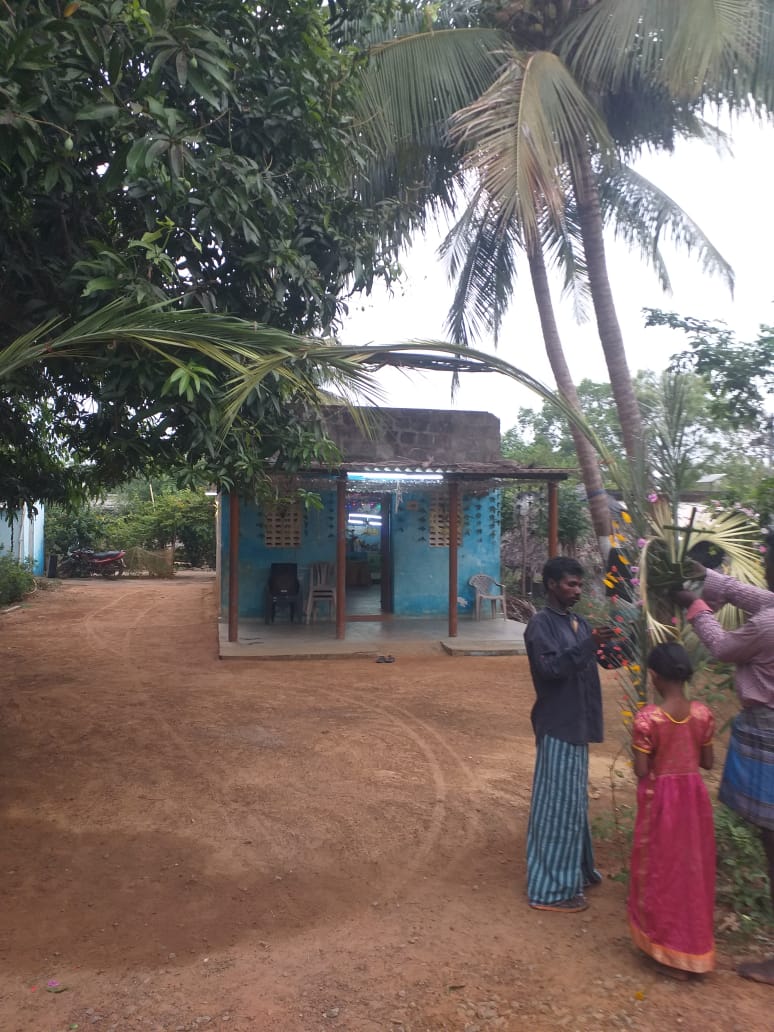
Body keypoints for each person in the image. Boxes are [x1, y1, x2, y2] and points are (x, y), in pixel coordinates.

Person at [674, 532, 774, 984]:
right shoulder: (770, 608)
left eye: (770, 559)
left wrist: (694, 606)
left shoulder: (768, 625)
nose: (765, 566)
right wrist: (706, 578)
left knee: (771, 836)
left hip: (767, 732)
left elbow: (723, 647)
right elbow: (752, 596)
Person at [524, 556, 616, 913]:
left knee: (571, 803)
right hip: (558, 723)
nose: (577, 591)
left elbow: (604, 660)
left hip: (578, 722)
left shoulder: (578, 622)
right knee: (555, 808)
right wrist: (588, 644)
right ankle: (550, 890)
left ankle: (577, 871)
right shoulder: (540, 625)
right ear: (551, 585)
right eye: (570, 584)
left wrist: (625, 637)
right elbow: (549, 669)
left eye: (579, 584)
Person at [627, 643, 716, 978]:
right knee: (692, 871)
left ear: (653, 676)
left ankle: (666, 949)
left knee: (661, 872)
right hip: (693, 803)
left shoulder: (648, 719)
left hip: (661, 803)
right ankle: (693, 947)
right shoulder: (703, 714)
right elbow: (708, 762)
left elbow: (641, 770)